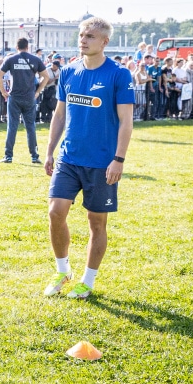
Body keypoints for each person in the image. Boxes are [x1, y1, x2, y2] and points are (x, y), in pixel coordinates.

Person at [42, 17, 135, 300]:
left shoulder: (118, 74)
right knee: (55, 212)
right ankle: (63, 270)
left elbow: (126, 121)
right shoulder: (69, 71)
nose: (83, 39)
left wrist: (118, 159)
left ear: (104, 42)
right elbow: (60, 114)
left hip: (102, 162)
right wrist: (49, 151)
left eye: (91, 36)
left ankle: (88, 280)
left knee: (97, 222)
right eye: (82, 35)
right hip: (70, 158)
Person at [0, 38, 49, 163]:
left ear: (16, 47)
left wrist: (3, 92)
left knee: (12, 127)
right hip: (30, 97)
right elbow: (46, 76)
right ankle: (34, 155)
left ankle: (8, 155)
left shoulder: (10, 59)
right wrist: (37, 92)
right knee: (30, 127)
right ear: (27, 47)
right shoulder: (36, 59)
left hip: (14, 97)